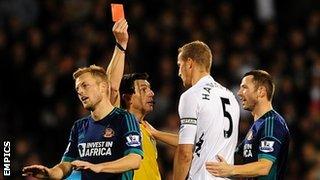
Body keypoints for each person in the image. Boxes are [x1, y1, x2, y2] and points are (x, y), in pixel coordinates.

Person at [22, 20, 143, 180]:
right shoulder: (79, 127)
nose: (80, 92)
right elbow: (66, 165)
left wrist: (100, 167)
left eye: (85, 85)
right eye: (78, 89)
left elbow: (134, 160)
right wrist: (50, 173)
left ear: (102, 87)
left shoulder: (124, 119)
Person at [173, 40, 240, 180]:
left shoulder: (191, 96)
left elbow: (185, 153)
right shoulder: (230, 96)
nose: (179, 72)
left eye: (180, 65)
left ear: (190, 63)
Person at [205, 70, 290, 179]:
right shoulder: (257, 125)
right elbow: (236, 159)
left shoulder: (272, 123)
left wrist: (230, 170)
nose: (239, 93)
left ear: (261, 91)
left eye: (244, 87)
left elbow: (264, 167)